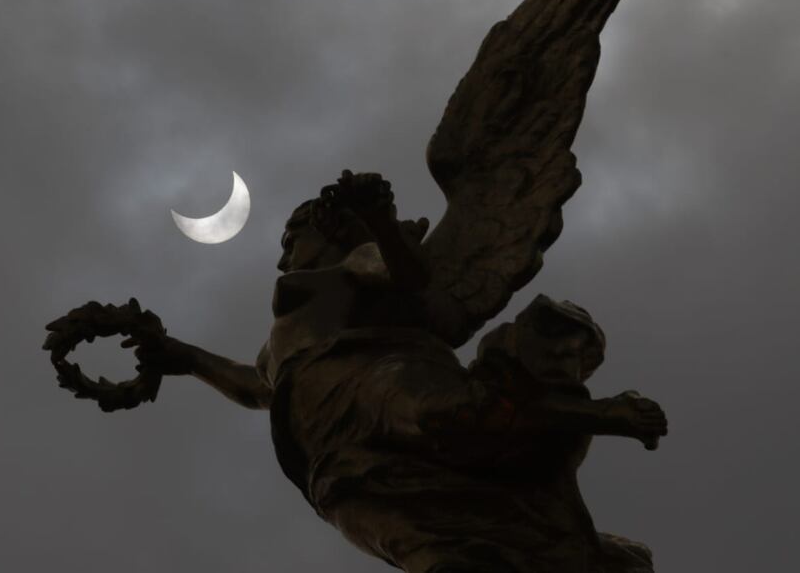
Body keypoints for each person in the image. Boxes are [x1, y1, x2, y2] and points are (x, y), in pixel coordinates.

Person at [118, 172, 666, 572]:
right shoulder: (279, 344)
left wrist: (380, 221)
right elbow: (255, 388)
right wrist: (182, 356)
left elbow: (410, 275)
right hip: (330, 453)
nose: (285, 259)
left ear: (330, 231)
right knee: (430, 549)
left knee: (450, 417)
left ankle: (594, 413)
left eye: (292, 241)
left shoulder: (355, 262)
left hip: (379, 380)